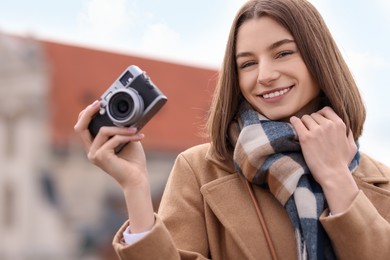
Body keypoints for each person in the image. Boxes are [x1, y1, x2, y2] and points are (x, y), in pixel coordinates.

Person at [74, 0, 390, 259]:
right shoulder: (200, 171)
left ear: (319, 60)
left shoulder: (381, 179)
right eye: (248, 63)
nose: (265, 75)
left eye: (283, 53)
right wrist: (135, 188)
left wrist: (336, 176)